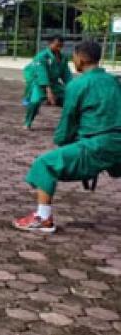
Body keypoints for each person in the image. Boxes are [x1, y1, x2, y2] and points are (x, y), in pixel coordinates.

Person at [13, 41, 121, 233]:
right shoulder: (113, 81)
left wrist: (63, 143)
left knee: (45, 164)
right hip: (116, 143)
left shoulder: (77, 85)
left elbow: (68, 121)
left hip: (96, 144)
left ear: (80, 58)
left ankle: (43, 217)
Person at [23, 35, 73, 130]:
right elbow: (42, 74)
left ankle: (69, 124)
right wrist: (49, 91)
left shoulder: (63, 58)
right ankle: (27, 122)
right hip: (39, 83)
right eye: (57, 45)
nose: (59, 48)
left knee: (70, 99)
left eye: (61, 46)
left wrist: (72, 87)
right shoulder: (41, 57)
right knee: (35, 101)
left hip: (54, 83)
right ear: (50, 44)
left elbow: (66, 74)